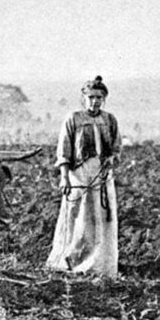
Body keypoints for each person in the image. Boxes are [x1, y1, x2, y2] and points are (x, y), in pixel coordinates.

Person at [46, 76, 121, 277]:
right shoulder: (73, 119)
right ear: (83, 98)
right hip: (79, 174)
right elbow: (64, 152)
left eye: (99, 97)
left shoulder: (109, 120)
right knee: (79, 218)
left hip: (103, 175)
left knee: (103, 219)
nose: (95, 101)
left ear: (104, 99)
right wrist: (64, 177)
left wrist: (112, 159)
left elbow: (116, 147)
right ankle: (72, 262)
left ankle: (100, 266)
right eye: (91, 97)